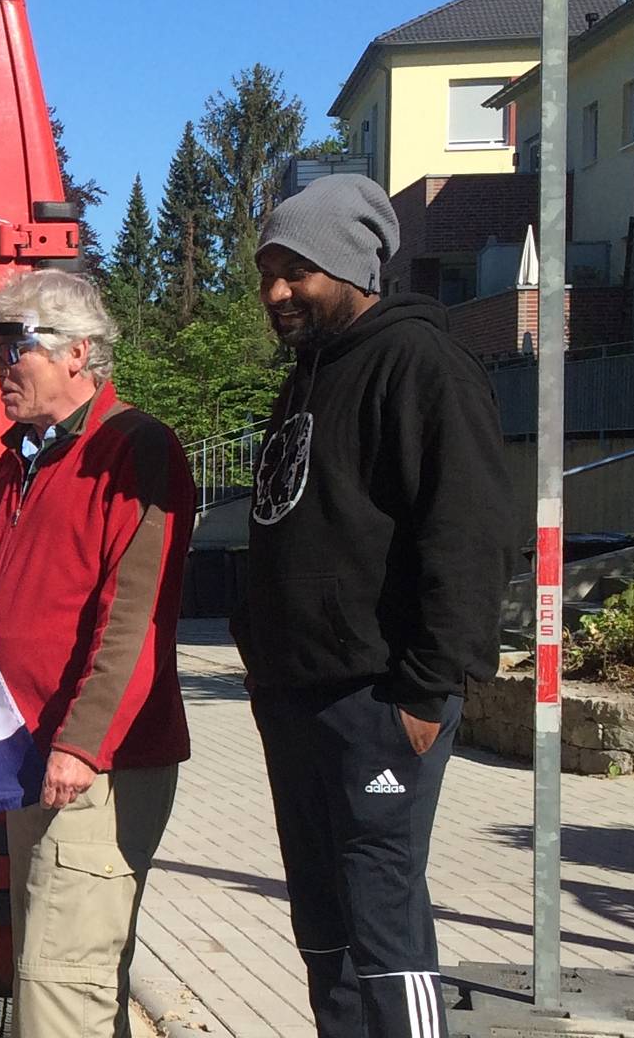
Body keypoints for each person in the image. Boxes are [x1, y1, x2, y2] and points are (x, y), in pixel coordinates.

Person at [244, 173, 511, 1038]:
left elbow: (468, 536)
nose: (277, 293)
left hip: (379, 704)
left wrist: (426, 698)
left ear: (352, 265)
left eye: (296, 272)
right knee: (323, 929)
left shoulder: (423, 365)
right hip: (297, 701)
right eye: (266, 274)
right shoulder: (309, 375)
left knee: (381, 919)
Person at [0, 269, 195, 1038]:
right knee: (69, 983)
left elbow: (135, 619)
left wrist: (82, 743)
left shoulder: (136, 450)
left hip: (95, 766)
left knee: (59, 993)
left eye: (15, 346)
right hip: (30, 756)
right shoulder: (15, 463)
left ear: (78, 353)